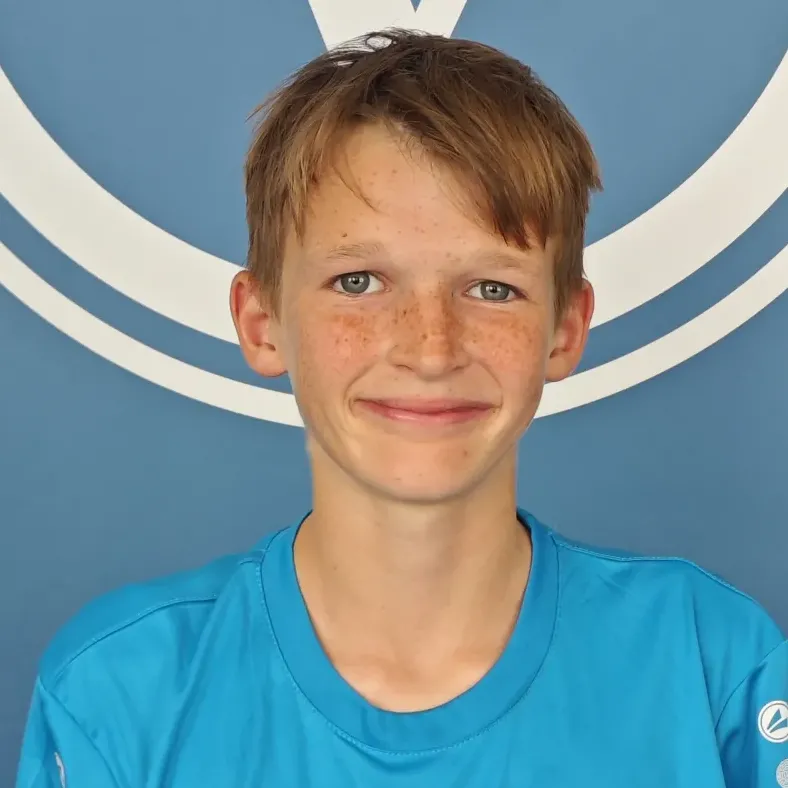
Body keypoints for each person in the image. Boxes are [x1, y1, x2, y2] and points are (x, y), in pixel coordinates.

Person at [16, 29, 787, 787]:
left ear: (565, 329)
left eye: (492, 288)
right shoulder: (120, 692)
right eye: (358, 282)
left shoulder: (714, 665)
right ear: (261, 321)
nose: (430, 348)